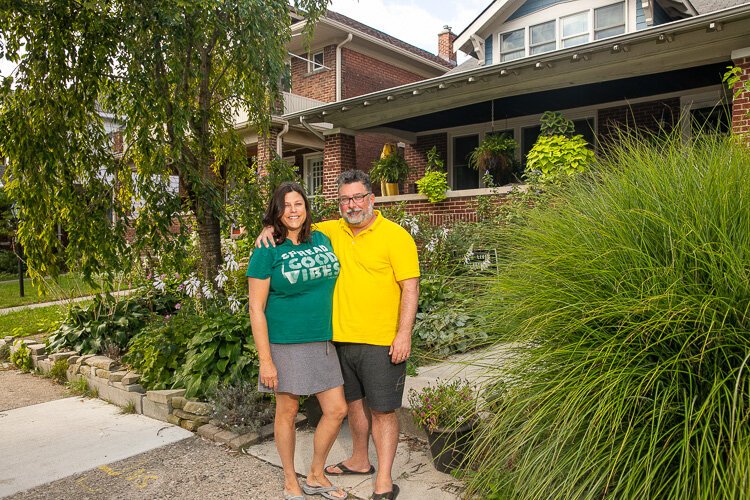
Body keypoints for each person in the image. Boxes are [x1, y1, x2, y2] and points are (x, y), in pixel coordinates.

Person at [258, 170, 420, 500]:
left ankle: (383, 481)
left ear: (372, 199)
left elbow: (411, 287)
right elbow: (292, 223)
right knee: (352, 406)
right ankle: (358, 461)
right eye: (345, 199)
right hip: (338, 339)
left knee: (381, 411)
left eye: (359, 197)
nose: (352, 205)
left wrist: (404, 334)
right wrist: (268, 228)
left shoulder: (396, 236)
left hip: (379, 340)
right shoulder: (331, 232)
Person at [247, 181, 348, 500]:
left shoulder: (322, 237)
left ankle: (316, 475)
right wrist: (266, 360)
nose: (293, 211)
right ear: (276, 212)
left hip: (321, 339)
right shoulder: (267, 248)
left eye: (298, 204)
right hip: (285, 343)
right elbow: (255, 307)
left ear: (307, 208)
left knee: (337, 410)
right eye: (286, 206)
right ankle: (291, 480)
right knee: (287, 412)